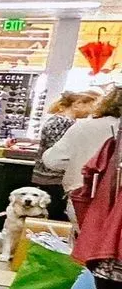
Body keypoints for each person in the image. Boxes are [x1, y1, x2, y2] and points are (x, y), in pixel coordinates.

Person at [45, 88, 122, 289]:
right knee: (103, 257)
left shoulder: (84, 126)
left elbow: (52, 160)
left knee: (94, 256)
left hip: (79, 195)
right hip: (107, 202)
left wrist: (80, 162)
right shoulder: (114, 130)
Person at [34, 90, 97, 220]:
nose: (92, 111)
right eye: (91, 105)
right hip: (53, 180)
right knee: (52, 218)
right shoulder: (62, 123)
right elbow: (58, 153)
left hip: (51, 179)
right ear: (77, 104)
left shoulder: (64, 122)